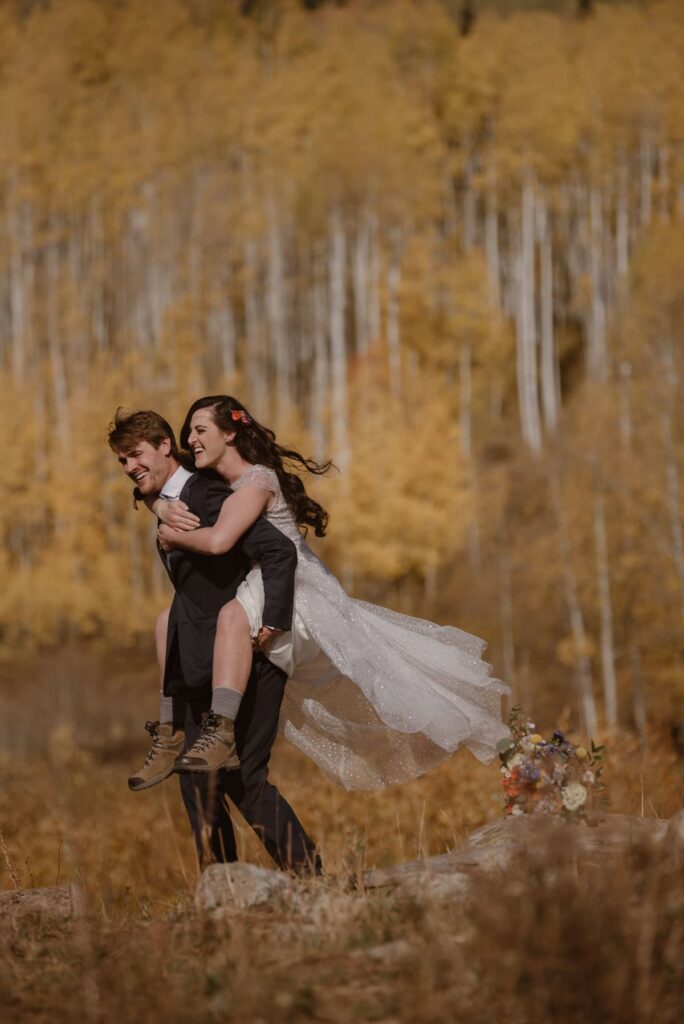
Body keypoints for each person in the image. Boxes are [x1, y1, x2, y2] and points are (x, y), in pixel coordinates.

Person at [151, 395, 511, 792]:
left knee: (235, 620)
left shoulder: (257, 481)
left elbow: (220, 541)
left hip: (292, 587)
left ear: (231, 433)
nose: (191, 438)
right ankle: (184, 729)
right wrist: (157, 506)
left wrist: (172, 534)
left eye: (200, 430)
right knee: (178, 623)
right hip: (263, 584)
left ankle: (219, 733)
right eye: (188, 431)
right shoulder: (220, 485)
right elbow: (163, 482)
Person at [108, 408, 319, 871]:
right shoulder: (170, 495)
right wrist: (155, 503)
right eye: (122, 462)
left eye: (135, 456)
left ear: (165, 446)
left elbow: (279, 550)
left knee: (245, 779)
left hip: (247, 650)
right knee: (195, 777)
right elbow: (155, 489)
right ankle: (221, 886)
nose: (129, 467)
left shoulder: (204, 493)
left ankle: (309, 876)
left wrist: (275, 622)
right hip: (201, 654)